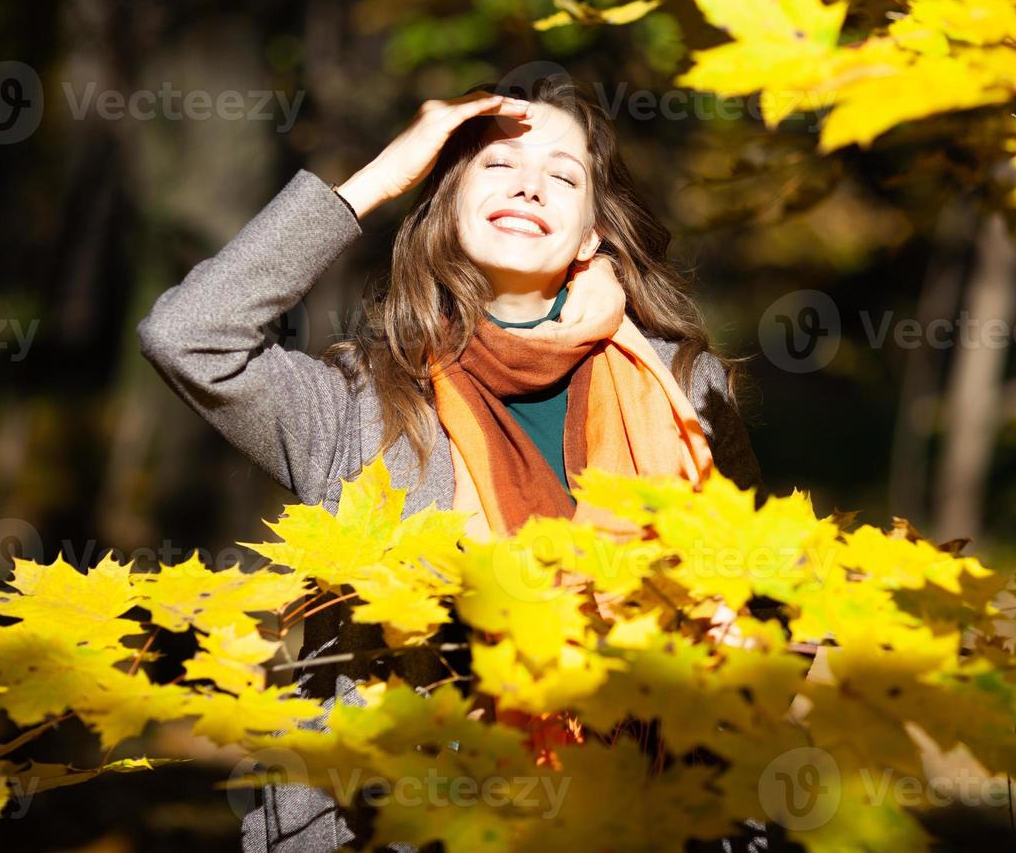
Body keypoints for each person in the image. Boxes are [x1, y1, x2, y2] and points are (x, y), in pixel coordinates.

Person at [138, 76, 769, 852]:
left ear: (592, 236)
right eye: (498, 165)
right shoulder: (355, 402)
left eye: (564, 176)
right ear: (445, 201)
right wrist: (376, 178)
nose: (531, 185)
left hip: (648, 821)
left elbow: (762, 607)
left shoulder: (681, 389)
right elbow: (189, 337)